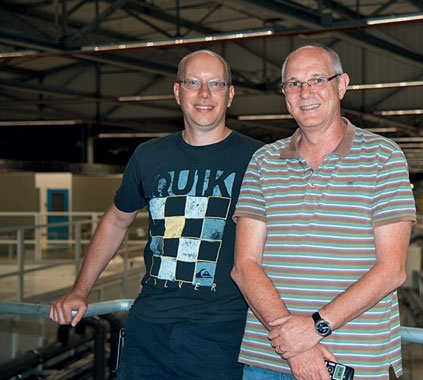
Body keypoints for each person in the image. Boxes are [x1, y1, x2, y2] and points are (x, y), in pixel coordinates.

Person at [49, 49, 263, 380]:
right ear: (177, 92)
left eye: (215, 84)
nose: (204, 93)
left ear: (230, 94)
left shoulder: (257, 160)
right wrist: (81, 289)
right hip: (148, 331)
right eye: (193, 82)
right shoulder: (148, 157)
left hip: (222, 334)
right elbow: (117, 220)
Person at [231, 44, 417, 380]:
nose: (305, 93)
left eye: (317, 79)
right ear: (284, 93)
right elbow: (245, 266)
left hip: (352, 363)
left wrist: (316, 327)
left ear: (341, 84)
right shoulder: (263, 163)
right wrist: (296, 342)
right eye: (293, 83)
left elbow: (392, 270)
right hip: (269, 359)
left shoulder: (384, 158)